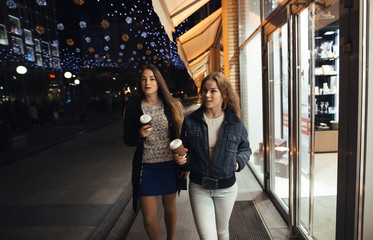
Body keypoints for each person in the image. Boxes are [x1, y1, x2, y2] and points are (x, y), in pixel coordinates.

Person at [175, 72, 252, 240]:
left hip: (227, 188)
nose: (207, 95)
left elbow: (245, 149)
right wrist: (182, 160)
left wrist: (237, 163)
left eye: (213, 91)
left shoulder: (235, 122)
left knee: (222, 232)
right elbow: (185, 152)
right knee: (208, 237)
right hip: (199, 187)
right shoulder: (190, 121)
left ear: (224, 94)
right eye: (204, 90)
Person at [123, 64, 185, 240]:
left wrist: (184, 159)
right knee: (149, 218)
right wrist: (139, 134)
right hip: (146, 167)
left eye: (151, 78)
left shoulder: (172, 105)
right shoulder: (133, 108)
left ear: (159, 82)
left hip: (168, 165)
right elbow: (127, 139)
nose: (147, 82)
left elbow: (181, 134)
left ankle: (170, 238)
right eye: (143, 79)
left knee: (170, 208)